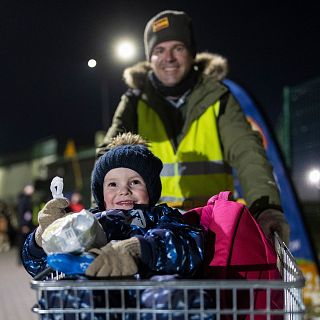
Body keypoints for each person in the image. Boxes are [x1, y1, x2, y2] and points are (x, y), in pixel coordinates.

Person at [96, 10, 289, 244]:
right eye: (159, 50)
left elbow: (248, 153)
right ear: (150, 58)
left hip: (213, 232)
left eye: (177, 48)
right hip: (152, 233)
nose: (169, 58)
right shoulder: (134, 103)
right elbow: (109, 158)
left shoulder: (219, 98)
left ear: (191, 53)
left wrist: (265, 208)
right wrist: (99, 212)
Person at [21, 133, 204, 279]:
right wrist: (44, 237)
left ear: (151, 190)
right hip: (100, 298)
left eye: (134, 182)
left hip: (147, 294)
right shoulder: (88, 223)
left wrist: (141, 249)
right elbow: (39, 268)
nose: (124, 190)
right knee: (69, 295)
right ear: (101, 193)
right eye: (113, 184)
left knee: (171, 293)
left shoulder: (162, 216)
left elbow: (189, 247)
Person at [16, 183, 36, 264]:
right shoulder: (23, 200)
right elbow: (21, 213)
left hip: (29, 224)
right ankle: (21, 259)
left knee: (27, 242)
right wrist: (24, 225)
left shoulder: (29, 199)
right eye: (29, 188)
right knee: (23, 242)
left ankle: (26, 258)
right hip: (25, 225)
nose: (32, 190)